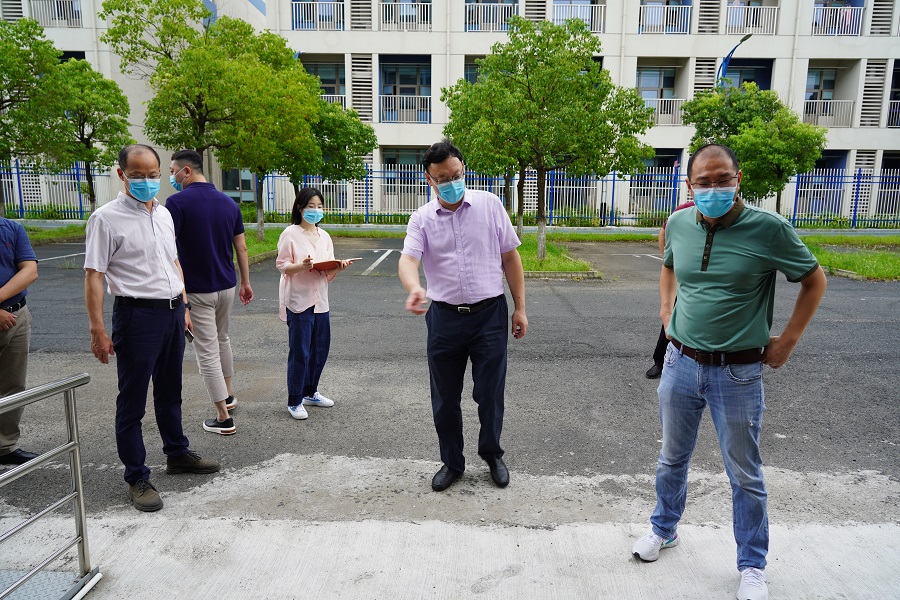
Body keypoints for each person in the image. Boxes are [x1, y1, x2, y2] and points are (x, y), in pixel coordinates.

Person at [632, 144, 827, 600]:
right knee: (671, 457)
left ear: (738, 180)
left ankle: (752, 565)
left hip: (737, 372)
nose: (713, 188)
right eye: (704, 182)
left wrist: (788, 341)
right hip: (680, 363)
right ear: (690, 185)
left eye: (723, 179)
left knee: (745, 474)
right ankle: (664, 528)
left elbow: (814, 280)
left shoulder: (769, 229)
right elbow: (669, 267)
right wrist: (665, 310)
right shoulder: (678, 223)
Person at [84, 144, 220, 513]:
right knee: (132, 400)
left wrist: (184, 304)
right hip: (136, 316)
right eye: (137, 175)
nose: (146, 181)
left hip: (173, 313)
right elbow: (94, 275)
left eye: (152, 175)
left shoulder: (163, 214)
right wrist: (97, 329)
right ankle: (137, 476)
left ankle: (176, 453)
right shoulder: (105, 219)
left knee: (170, 391)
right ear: (122, 174)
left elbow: (173, 261)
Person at [398, 139, 528, 492]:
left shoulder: (489, 205)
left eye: (456, 175)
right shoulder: (422, 219)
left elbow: (510, 257)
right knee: (444, 398)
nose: (451, 182)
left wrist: (520, 307)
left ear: (463, 170)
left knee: (490, 393)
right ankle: (452, 462)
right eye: (443, 178)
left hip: (489, 316)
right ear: (429, 180)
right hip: (444, 318)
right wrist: (414, 287)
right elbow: (408, 259)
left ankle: (492, 454)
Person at [166, 149, 253, 436]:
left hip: (197, 289)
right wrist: (245, 282)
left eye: (173, 171)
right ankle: (228, 395)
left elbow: (168, 251)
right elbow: (241, 247)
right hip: (226, 285)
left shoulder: (176, 203)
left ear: (186, 171)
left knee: (205, 349)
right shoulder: (229, 203)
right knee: (222, 340)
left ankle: (223, 418)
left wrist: (181, 296)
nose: (171, 177)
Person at [275, 187, 349, 421]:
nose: (315, 211)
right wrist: (303, 266)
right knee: (300, 351)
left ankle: (310, 392)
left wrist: (337, 267)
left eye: (319, 206)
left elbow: (326, 272)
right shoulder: (290, 233)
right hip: (299, 300)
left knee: (320, 349)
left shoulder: (324, 236)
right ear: (300, 208)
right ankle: (294, 400)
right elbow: (282, 265)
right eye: (310, 206)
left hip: (320, 301)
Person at [0, 218, 39, 466]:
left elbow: (29, 270)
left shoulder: (12, 229)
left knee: (13, 385)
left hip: (17, 315)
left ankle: (4, 446)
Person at [646, 199, 694, 380]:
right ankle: (660, 362)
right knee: (671, 317)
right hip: (685, 277)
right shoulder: (684, 211)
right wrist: (669, 261)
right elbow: (664, 234)